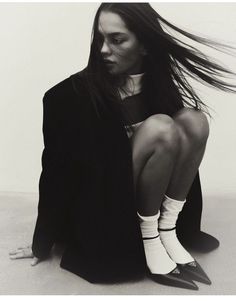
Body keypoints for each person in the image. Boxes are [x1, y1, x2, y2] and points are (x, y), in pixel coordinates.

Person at [9, 3, 236, 290]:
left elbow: (179, 156)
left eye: (116, 40)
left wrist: (181, 225)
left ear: (144, 45)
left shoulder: (159, 86)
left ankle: (167, 231)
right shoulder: (67, 97)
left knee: (195, 121)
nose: (103, 50)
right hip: (105, 207)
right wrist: (42, 241)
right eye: (100, 38)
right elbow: (55, 171)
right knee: (161, 128)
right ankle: (150, 240)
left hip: (149, 202)